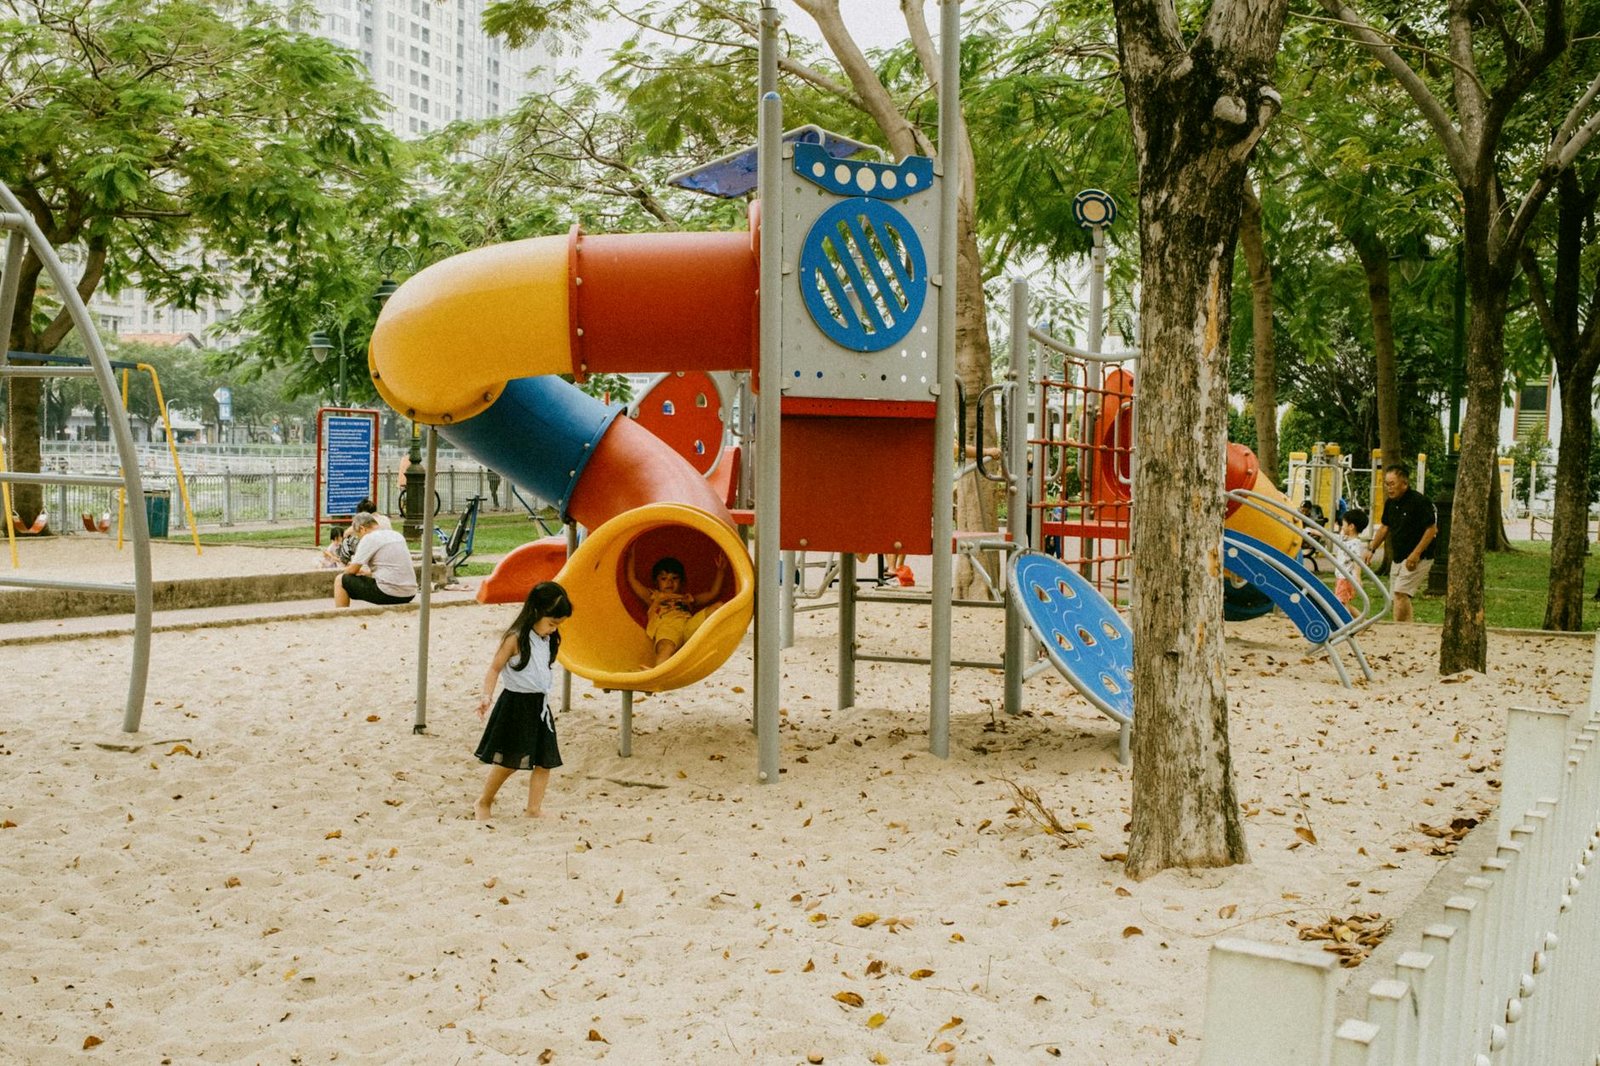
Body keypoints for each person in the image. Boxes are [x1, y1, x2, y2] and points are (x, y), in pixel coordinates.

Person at [473, 581, 573, 821]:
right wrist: (486, 695)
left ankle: (533, 809)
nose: (553, 630)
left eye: (557, 625)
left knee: (545, 761)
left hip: (539, 705)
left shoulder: (547, 639)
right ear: (536, 612)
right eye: (551, 623)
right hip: (516, 705)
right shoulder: (515, 638)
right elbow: (494, 668)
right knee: (510, 761)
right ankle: (483, 801)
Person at [625, 547, 727, 665]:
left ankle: (713, 644)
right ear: (656, 582)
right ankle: (659, 671)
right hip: (668, 629)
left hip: (689, 627)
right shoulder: (653, 597)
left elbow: (713, 593)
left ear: (681, 582)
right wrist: (630, 557)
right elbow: (632, 580)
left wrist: (721, 571)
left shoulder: (687, 598)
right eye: (664, 578)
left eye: (674, 578)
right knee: (665, 649)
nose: (669, 582)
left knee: (719, 606)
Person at [1364, 465, 1437, 623]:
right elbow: (1384, 527)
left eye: (1392, 484)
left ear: (1404, 484)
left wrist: (1416, 554)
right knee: (1397, 596)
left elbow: (1431, 530)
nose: (1389, 488)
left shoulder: (1419, 502)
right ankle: (1406, 628)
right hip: (1399, 556)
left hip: (1419, 556)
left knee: (1400, 593)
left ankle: (1400, 629)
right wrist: (1371, 549)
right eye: (1386, 484)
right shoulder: (1390, 503)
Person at [334, 512, 418, 607]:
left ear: (362, 529)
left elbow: (351, 570)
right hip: (410, 593)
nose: (359, 539)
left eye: (358, 535)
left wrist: (347, 570)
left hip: (389, 593)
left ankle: (342, 613)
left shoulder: (369, 538)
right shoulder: (397, 535)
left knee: (340, 580)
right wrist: (368, 573)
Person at [1333, 508, 1369, 608]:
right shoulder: (1344, 538)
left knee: (1341, 605)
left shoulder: (1355, 544)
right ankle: (1362, 618)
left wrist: (1357, 577)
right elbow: (1330, 535)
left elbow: (1357, 561)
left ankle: (1347, 619)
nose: (1342, 527)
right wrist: (1313, 531)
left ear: (1351, 527)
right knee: (1344, 603)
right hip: (1341, 577)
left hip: (1346, 579)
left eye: (1343, 525)